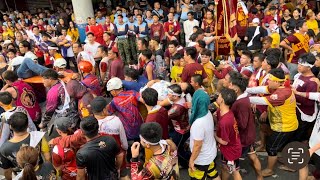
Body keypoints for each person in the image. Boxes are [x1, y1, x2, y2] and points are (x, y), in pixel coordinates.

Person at [247, 68, 298, 177]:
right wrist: (246, 90)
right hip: (282, 124)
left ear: (277, 82)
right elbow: (260, 89)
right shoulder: (278, 87)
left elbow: (260, 100)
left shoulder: (281, 93)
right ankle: (286, 160)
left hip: (284, 127)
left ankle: (270, 170)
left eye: (269, 79)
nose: (268, 81)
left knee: (271, 147)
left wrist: (242, 98)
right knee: (279, 145)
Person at [225, 71, 263, 180]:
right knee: (252, 156)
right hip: (249, 135)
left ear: (236, 89)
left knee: (231, 165)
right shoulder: (242, 98)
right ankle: (260, 177)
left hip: (242, 138)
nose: (227, 85)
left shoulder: (240, 103)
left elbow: (242, 124)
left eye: (229, 83)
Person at [0, 112, 50, 180]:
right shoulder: (38, 136)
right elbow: (47, 157)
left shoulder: (3, 149)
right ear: (27, 125)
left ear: (10, 127)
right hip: (39, 169)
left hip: (21, 175)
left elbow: (7, 170)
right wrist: (47, 167)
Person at [90, 96, 129, 179]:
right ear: (104, 110)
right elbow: (123, 141)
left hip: (101, 158)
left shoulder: (90, 125)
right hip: (117, 154)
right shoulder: (115, 120)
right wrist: (125, 148)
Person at [188, 89, 220, 180]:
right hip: (210, 153)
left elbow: (198, 145)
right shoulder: (207, 112)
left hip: (201, 159)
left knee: (198, 177)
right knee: (212, 173)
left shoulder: (198, 123)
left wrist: (192, 160)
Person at [215, 88, 242, 180]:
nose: (217, 97)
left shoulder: (225, 121)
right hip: (228, 149)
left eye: (218, 96)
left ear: (222, 100)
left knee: (235, 172)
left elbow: (225, 142)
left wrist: (214, 135)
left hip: (231, 151)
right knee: (225, 168)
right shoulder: (222, 112)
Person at [292, 53, 318, 142]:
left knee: (298, 136)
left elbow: (309, 102)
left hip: (304, 113)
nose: (298, 66)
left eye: (302, 65)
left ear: (309, 67)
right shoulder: (299, 75)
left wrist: (295, 96)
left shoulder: (312, 82)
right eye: (299, 64)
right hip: (296, 108)